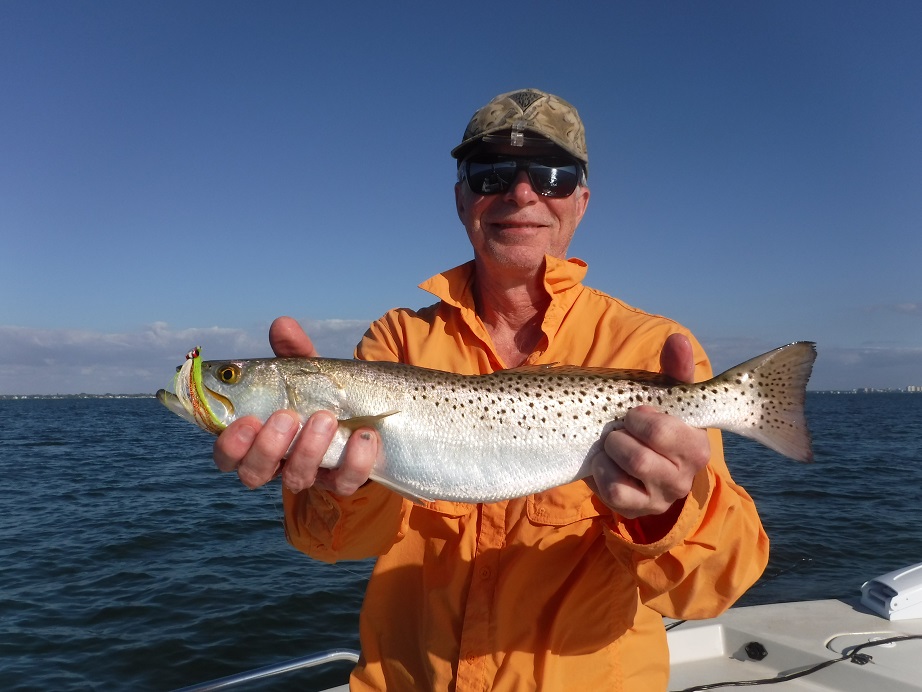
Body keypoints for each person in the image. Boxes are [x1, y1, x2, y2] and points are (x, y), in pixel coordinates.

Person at [214, 88, 768, 691]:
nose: (522, 193)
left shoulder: (653, 348)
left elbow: (714, 586)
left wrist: (664, 515)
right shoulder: (394, 339)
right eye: (491, 173)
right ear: (461, 199)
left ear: (581, 201)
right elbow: (332, 542)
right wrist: (332, 481)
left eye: (553, 176)